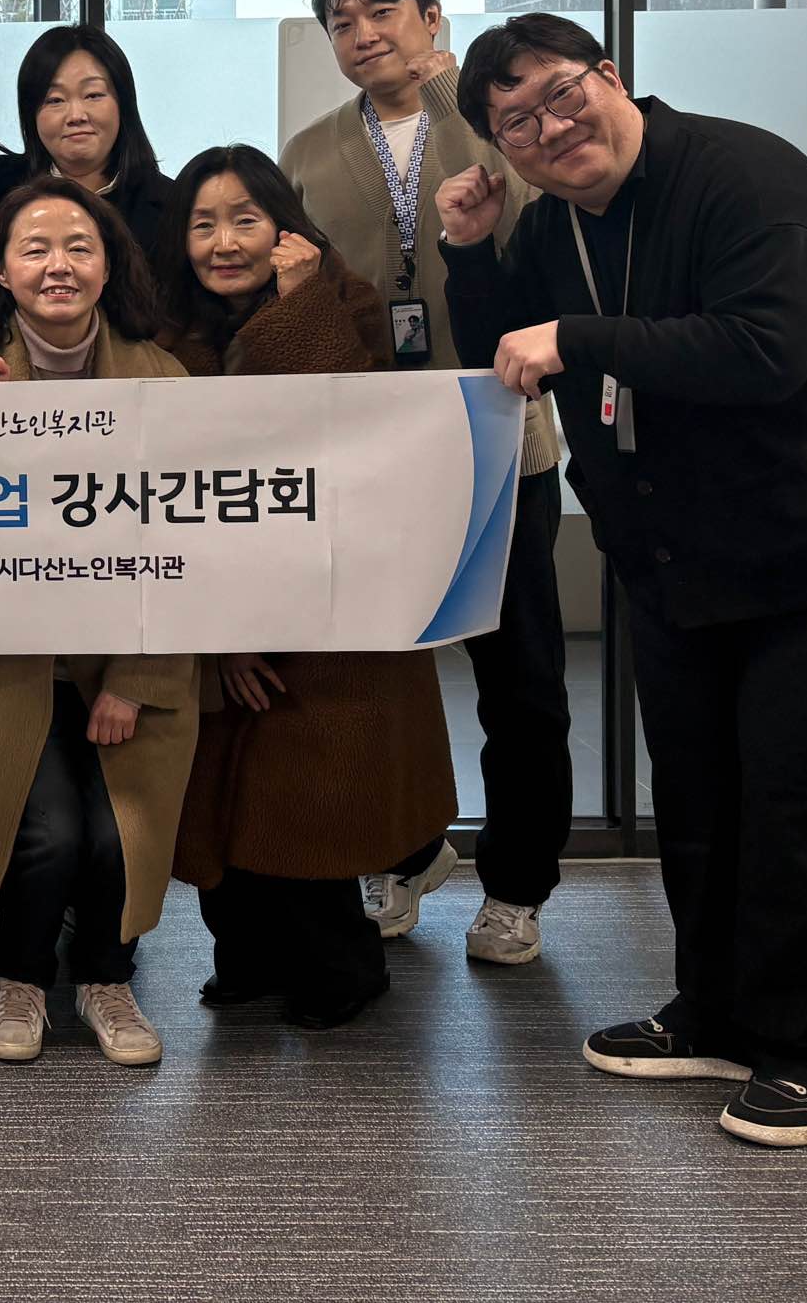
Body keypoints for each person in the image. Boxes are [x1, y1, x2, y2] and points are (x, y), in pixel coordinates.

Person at [439, 14, 807, 1149]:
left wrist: (582, 340)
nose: (549, 128)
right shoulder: (555, 226)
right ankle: (720, 1012)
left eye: (560, 93)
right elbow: (514, 356)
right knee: (702, 789)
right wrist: (473, 251)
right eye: (515, 123)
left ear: (610, 77)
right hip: (682, 550)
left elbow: (768, 347)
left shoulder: (743, 176)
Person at [280, 0, 571, 965]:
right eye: (342, 22)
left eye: (383, 12)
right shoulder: (309, 150)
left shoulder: (500, 124)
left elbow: (545, 226)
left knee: (520, 679)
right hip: (375, 450)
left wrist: (459, 100)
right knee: (374, 679)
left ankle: (518, 886)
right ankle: (398, 853)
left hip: (501, 438)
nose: (363, 35)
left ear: (433, 17)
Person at [156, 145, 459, 1030]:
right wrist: (224, 630)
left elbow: (342, 437)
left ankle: (344, 968)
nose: (223, 243)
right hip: (218, 601)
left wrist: (298, 305)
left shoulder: (343, 302)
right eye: (203, 225)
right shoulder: (166, 335)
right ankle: (246, 960)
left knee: (308, 808)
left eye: (244, 220)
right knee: (222, 807)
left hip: (333, 617)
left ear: (286, 228)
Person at [0, 177, 195, 1068]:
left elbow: (195, 552)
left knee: (118, 836)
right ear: (0, 271)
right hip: (8, 669)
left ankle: (107, 977)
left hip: (131, 663)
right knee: (45, 833)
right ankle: (23, 975)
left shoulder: (164, 378)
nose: (58, 265)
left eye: (79, 246)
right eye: (33, 249)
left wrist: (136, 681)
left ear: (110, 265)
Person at [0, 22, 175, 254]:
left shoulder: (169, 204)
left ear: (123, 104)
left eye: (93, 95)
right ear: (31, 114)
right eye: (55, 100)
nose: (76, 116)